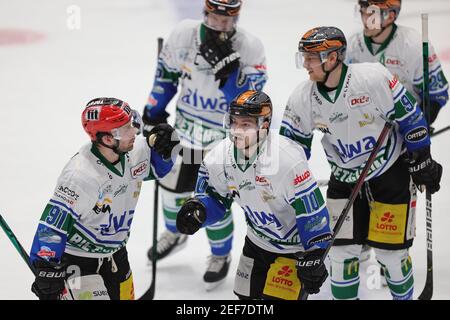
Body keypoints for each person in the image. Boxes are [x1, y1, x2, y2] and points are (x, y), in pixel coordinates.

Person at [280, 26, 443, 300]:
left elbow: (410, 116)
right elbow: (290, 151)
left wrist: (421, 157)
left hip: (390, 173)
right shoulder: (302, 98)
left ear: (331, 58)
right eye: (304, 57)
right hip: (344, 180)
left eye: (310, 57)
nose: (305, 64)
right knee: (341, 257)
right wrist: (291, 187)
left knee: (392, 256)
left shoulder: (372, 78)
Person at [142, 0, 267, 290]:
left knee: (213, 199)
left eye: (229, 19)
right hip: (184, 132)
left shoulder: (250, 46)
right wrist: (153, 111)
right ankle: (175, 232)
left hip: (222, 140)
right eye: (215, 17)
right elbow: (166, 75)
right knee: (171, 191)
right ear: (205, 12)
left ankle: (220, 256)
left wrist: (230, 73)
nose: (222, 25)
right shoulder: (183, 35)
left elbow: (251, 102)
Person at [176, 90, 332, 300]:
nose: (237, 130)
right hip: (257, 241)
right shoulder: (219, 157)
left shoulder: (286, 160)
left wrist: (315, 252)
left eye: (246, 125)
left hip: (294, 249)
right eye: (234, 122)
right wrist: (200, 210)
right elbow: (216, 198)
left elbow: (312, 213)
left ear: (264, 126)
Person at [29, 98, 178, 300]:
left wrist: (166, 146)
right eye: (126, 129)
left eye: (131, 124)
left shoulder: (133, 152)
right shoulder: (80, 176)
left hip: (116, 254)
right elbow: (53, 225)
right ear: (108, 139)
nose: (134, 131)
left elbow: (158, 168)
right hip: (79, 262)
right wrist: (46, 266)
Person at [347, 0, 449, 268]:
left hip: (402, 138)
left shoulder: (412, 45)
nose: (365, 17)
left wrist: (419, 130)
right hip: (363, 139)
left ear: (391, 15)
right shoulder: (353, 45)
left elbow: (437, 94)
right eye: (363, 11)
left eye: (372, 12)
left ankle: (391, 253)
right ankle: (364, 240)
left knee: (394, 196)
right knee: (361, 192)